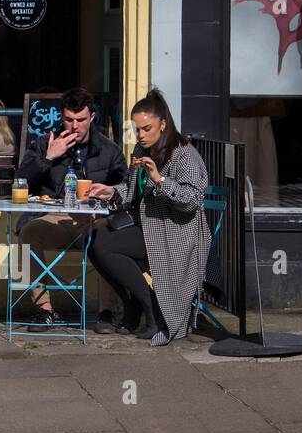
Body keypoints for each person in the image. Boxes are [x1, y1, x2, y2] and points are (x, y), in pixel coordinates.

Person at [88, 90, 210, 345]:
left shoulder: (184, 154)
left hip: (175, 231)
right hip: (149, 225)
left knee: (105, 246)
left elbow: (192, 201)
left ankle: (149, 305)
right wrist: (110, 190)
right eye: (137, 129)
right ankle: (135, 304)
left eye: (147, 128)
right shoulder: (143, 149)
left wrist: (160, 179)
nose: (141, 135)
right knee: (95, 239)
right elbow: (132, 190)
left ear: (163, 124)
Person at [17, 87, 127, 331]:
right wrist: (48, 157)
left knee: (107, 236)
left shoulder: (108, 150)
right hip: (57, 217)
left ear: (92, 118)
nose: (74, 126)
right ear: (61, 117)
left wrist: (108, 194)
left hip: (94, 219)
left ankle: (107, 313)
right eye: (69, 119)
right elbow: (20, 182)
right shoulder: (46, 143)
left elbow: (125, 188)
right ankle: (44, 310)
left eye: (80, 120)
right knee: (27, 234)